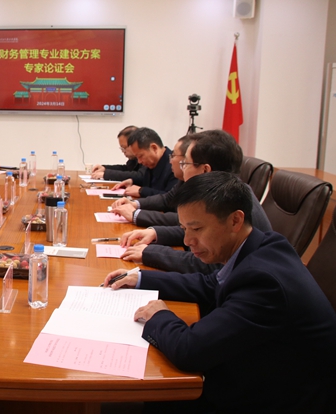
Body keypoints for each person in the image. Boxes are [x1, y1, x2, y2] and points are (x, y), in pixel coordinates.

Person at [104, 171, 336, 413]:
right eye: (184, 228)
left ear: (235, 220)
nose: (187, 240)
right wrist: (141, 278)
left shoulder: (264, 282)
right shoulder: (262, 244)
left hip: (274, 397)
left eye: (196, 229)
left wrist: (159, 315)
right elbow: (211, 283)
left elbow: (189, 350)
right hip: (260, 369)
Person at [117, 129, 272, 274]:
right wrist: (155, 233)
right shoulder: (220, 192)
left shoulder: (228, 203)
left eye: (185, 163)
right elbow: (198, 231)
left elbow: (209, 266)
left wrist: (152, 253)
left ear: (205, 170)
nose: (182, 169)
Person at [110, 135, 189, 226]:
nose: (170, 161)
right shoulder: (182, 179)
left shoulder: (179, 173)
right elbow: (166, 199)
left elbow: (183, 220)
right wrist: (135, 204)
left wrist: (136, 214)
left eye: (173, 156)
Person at [112, 127, 177, 198]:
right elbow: (148, 181)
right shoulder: (151, 162)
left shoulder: (174, 166)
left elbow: (170, 198)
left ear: (154, 148)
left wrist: (142, 191)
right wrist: (132, 181)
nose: (139, 161)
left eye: (140, 156)